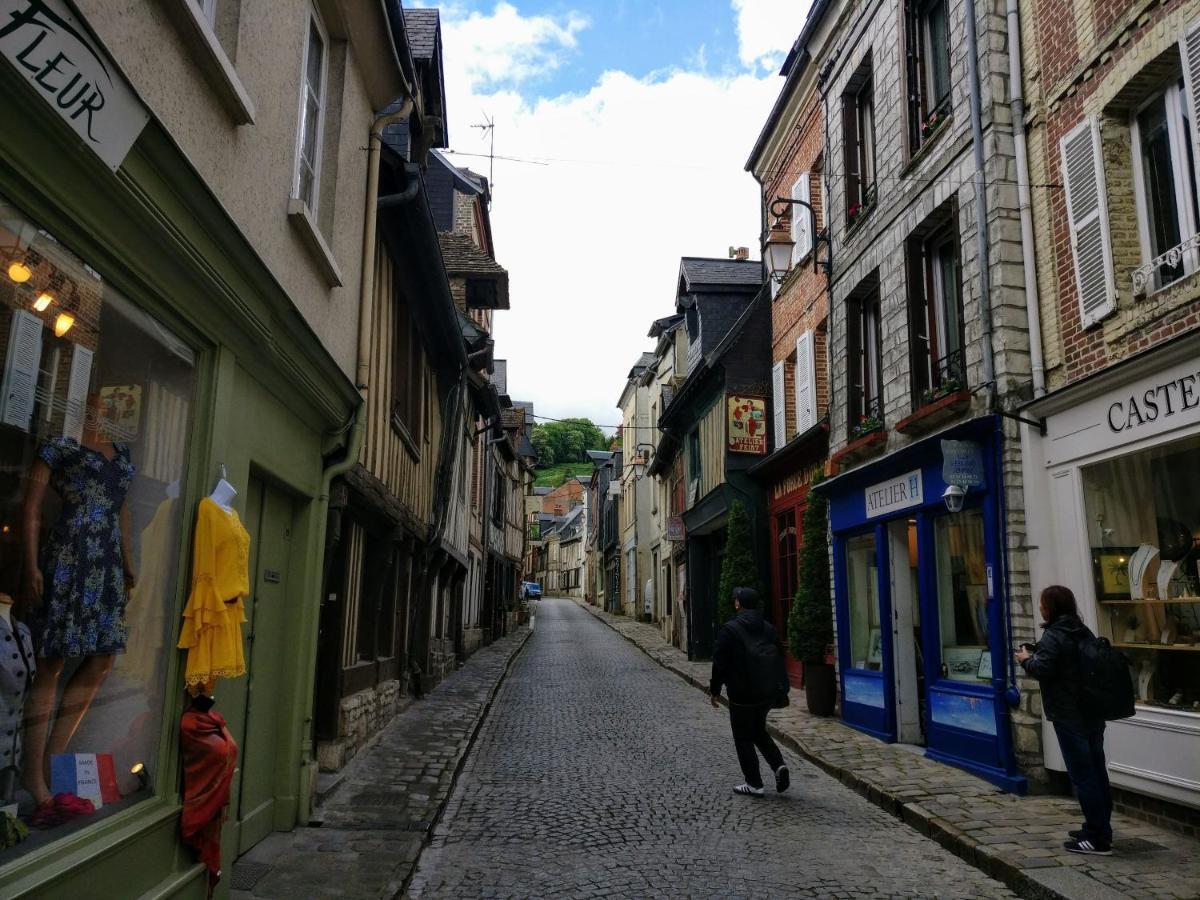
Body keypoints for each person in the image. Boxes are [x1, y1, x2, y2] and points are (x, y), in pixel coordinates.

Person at [1016, 585, 1113, 855]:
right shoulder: (1081, 630)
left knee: (1083, 775)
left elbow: (1043, 669)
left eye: (1042, 603)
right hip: (1091, 711)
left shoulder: (1054, 635)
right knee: (1096, 770)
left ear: (1051, 607)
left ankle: (1097, 838)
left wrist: (1025, 659)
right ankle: (1098, 827)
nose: (1039, 607)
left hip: (1069, 714)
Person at [709, 586, 789, 797]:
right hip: (766, 693)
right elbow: (779, 657)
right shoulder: (768, 628)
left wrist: (715, 690)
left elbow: (719, 662)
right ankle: (779, 765)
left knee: (743, 736)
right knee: (758, 730)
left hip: (742, 693)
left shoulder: (730, 630)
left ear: (738, 604)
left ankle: (754, 783)